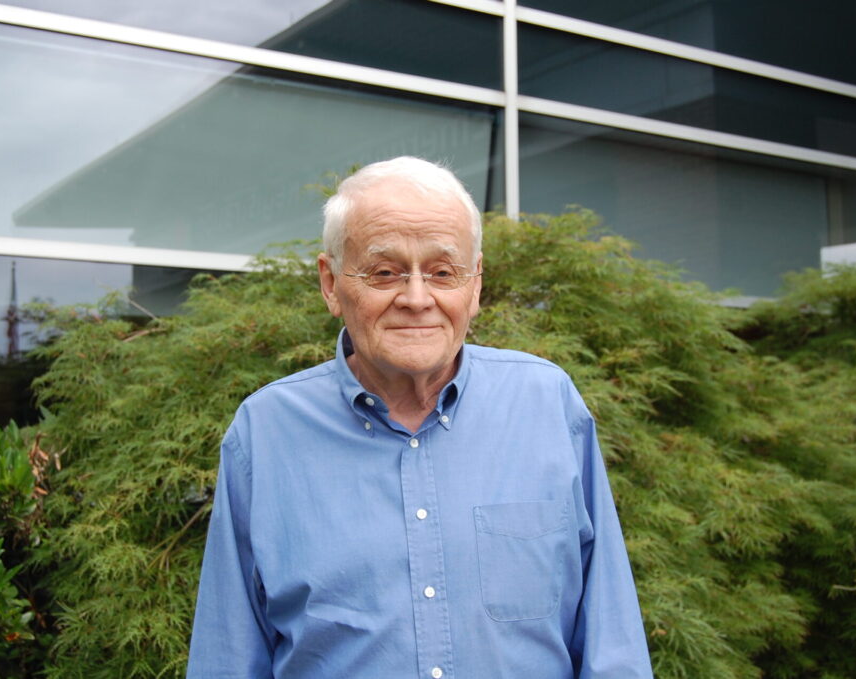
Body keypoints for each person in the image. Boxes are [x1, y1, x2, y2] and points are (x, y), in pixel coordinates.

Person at [186, 157, 653, 678]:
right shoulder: (265, 433)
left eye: (442, 272)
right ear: (330, 283)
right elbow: (227, 656)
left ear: (474, 285)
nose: (415, 298)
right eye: (384, 272)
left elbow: (613, 645)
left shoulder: (548, 405)